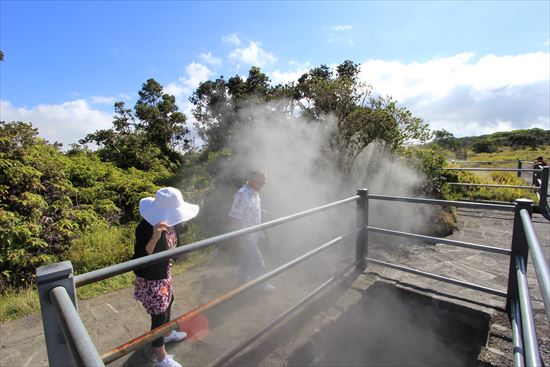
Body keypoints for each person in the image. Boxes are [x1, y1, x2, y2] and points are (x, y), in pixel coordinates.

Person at [133, 187, 199, 367]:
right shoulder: (145, 227)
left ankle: (167, 334)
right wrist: (154, 237)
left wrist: (181, 218)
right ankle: (161, 358)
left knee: (169, 301)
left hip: (165, 273)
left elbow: (180, 230)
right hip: (152, 278)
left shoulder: (171, 222)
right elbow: (140, 259)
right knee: (159, 316)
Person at [228, 170, 274, 292]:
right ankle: (262, 285)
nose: (262, 186)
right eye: (260, 183)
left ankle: (242, 280)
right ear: (252, 180)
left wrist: (261, 212)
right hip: (246, 236)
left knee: (247, 258)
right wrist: (236, 238)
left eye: (264, 183)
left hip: (254, 233)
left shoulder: (255, 192)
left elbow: (251, 208)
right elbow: (235, 218)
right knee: (258, 260)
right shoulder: (242, 195)